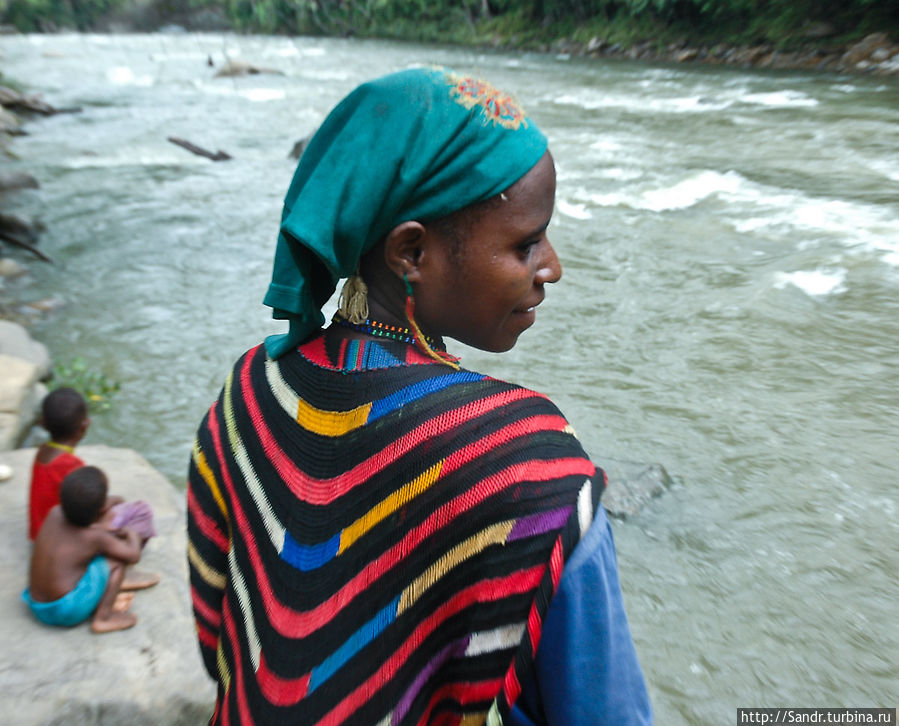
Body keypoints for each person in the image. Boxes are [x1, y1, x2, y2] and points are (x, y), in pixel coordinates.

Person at [187, 67, 652, 725]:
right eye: (525, 243)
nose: (551, 266)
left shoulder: (248, 390)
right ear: (411, 252)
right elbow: (604, 712)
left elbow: (218, 632)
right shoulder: (530, 467)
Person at [29, 388, 158, 561]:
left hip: (41, 534)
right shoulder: (71, 465)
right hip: (66, 537)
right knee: (140, 511)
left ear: (43, 422)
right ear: (84, 426)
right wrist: (112, 501)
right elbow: (83, 511)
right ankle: (110, 564)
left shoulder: (42, 452)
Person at [23, 466, 142, 633]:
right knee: (117, 562)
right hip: (66, 611)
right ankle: (104, 618)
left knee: (83, 560)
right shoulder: (95, 537)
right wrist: (133, 533)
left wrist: (113, 500)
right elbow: (133, 555)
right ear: (101, 509)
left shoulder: (54, 513)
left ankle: (93, 601)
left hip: (36, 604)